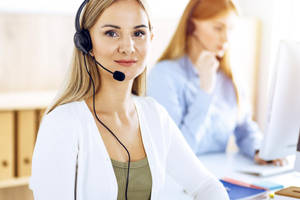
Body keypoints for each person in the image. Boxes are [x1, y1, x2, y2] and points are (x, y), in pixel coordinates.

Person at [29, 0, 230, 199]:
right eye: (111, 33)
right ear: (86, 43)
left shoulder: (154, 115)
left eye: (138, 33)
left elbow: (207, 185)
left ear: (150, 38)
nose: (128, 47)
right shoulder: (63, 123)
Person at [147, 0, 285, 165]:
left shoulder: (229, 78)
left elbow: (245, 130)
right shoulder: (163, 76)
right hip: (178, 181)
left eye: (231, 29)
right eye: (218, 28)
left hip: (219, 177)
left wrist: (260, 150)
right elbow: (176, 153)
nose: (226, 38)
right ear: (192, 26)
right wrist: (205, 91)